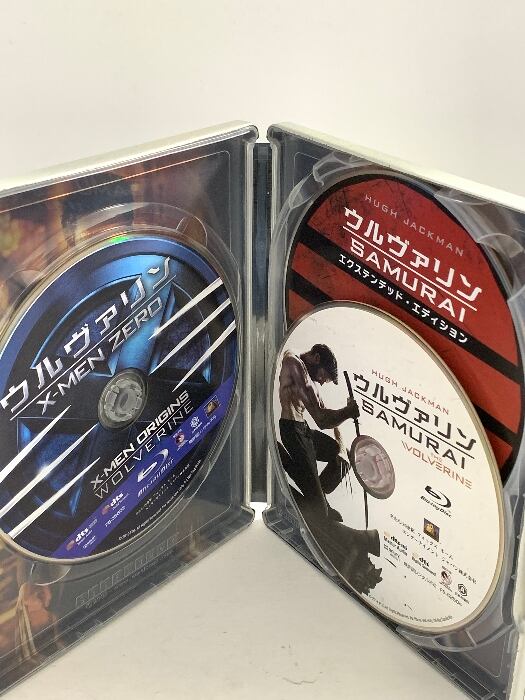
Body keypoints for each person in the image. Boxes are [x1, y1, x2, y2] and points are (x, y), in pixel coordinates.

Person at [277, 343, 359, 519]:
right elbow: (322, 420)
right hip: (292, 432)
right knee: (320, 512)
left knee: (342, 455)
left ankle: (317, 493)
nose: (322, 381)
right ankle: (280, 456)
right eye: (324, 376)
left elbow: (328, 415)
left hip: (303, 429)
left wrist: (342, 447)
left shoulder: (311, 379)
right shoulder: (293, 363)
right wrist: (348, 412)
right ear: (316, 358)